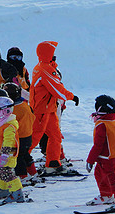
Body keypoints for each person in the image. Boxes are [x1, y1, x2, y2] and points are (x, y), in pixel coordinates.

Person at [29, 41, 79, 175]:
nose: (54, 56)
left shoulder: (41, 66)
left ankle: (53, 163)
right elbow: (57, 89)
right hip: (41, 110)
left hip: (48, 108)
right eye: (52, 53)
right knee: (34, 137)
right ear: (47, 54)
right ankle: (19, 161)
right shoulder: (46, 69)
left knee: (55, 136)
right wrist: (72, 97)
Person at [85, 95, 115, 208]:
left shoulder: (102, 125)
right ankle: (106, 195)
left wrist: (90, 160)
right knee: (99, 175)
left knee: (111, 177)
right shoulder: (114, 122)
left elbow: (98, 145)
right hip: (110, 156)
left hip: (106, 157)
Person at [0, 96, 26, 205]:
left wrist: (5, 155)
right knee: (0, 174)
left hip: (5, 157)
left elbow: (9, 141)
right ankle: (3, 189)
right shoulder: (0, 123)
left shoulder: (9, 126)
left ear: (5, 110)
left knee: (7, 174)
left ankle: (17, 192)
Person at [3, 82, 38, 184]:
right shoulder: (25, 104)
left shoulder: (14, 109)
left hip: (20, 137)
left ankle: (22, 176)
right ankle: (33, 173)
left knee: (18, 157)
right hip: (28, 135)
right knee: (25, 154)